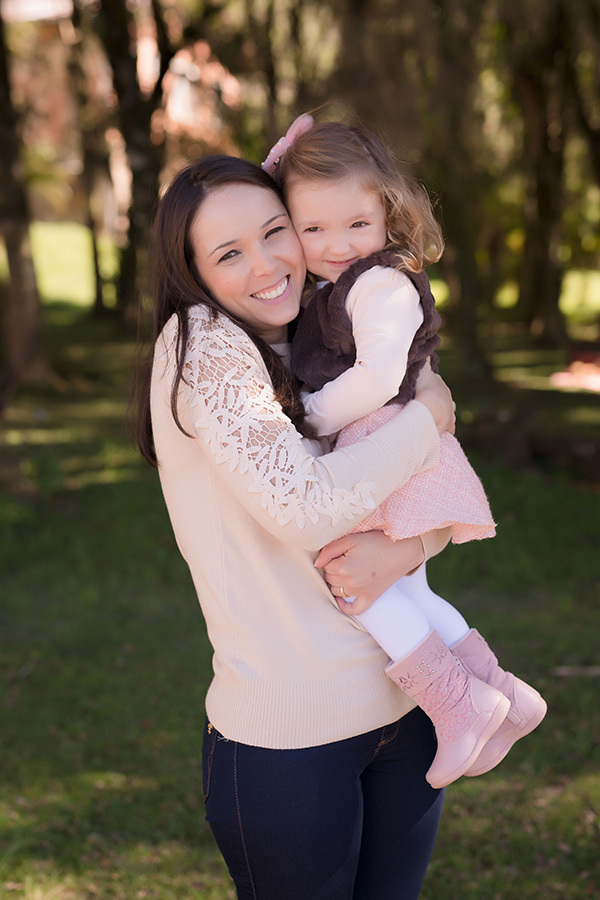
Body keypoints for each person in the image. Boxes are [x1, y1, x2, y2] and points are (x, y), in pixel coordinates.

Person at [135, 154, 459, 899]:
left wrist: (408, 546)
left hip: (410, 705)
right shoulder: (204, 345)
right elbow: (304, 507)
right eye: (228, 254)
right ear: (192, 273)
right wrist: (427, 419)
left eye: (276, 231)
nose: (266, 264)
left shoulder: (333, 323)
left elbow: (437, 490)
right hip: (292, 743)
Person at [264, 114, 547, 791]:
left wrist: (308, 416)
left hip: (387, 443)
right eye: (313, 229)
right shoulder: (333, 288)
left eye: (357, 224)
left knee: (353, 582)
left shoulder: (381, 285)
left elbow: (377, 377)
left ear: (389, 215)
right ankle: (504, 693)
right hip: (388, 440)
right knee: (407, 587)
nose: (337, 245)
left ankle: (460, 706)